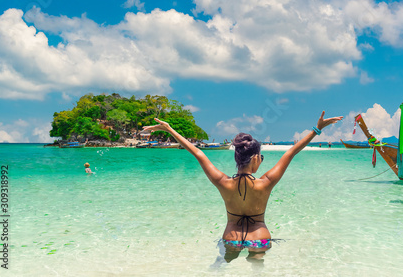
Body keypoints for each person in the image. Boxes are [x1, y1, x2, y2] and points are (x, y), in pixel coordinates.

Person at [143, 111, 343, 262]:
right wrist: (318, 129)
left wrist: (169, 130)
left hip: (231, 238)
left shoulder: (222, 182)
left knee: (223, 265)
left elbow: (198, 153)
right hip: (259, 238)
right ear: (256, 158)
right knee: (257, 270)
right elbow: (291, 152)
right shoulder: (266, 183)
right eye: (261, 158)